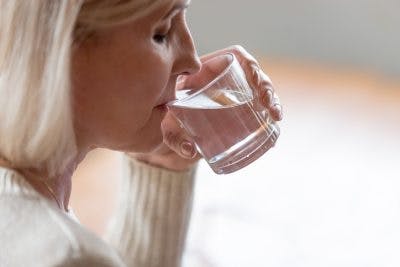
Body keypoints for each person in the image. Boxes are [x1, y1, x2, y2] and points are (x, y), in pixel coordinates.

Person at [0, 0, 283, 266]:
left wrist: (161, 164)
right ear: (58, 52)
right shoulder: (67, 255)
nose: (192, 60)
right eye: (161, 34)